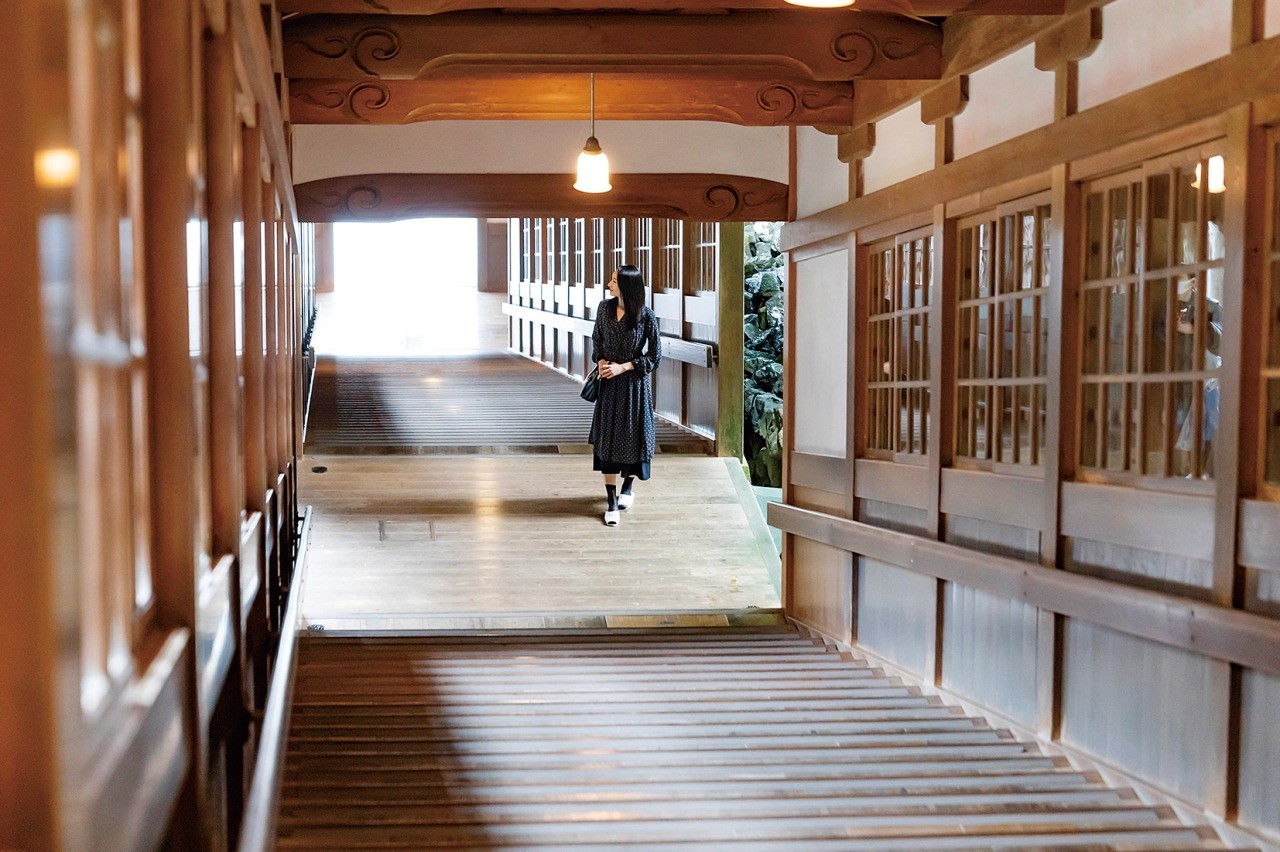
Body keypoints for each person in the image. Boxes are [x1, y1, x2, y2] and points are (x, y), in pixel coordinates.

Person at [589, 265, 662, 526]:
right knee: (607, 439)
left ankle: (628, 487)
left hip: (633, 385)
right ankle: (611, 502)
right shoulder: (604, 309)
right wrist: (600, 360)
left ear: (627, 286)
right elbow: (596, 340)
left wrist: (626, 366)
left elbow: (655, 356)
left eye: (613, 280)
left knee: (632, 437)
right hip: (609, 383)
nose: (609, 284)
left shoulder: (646, 316)